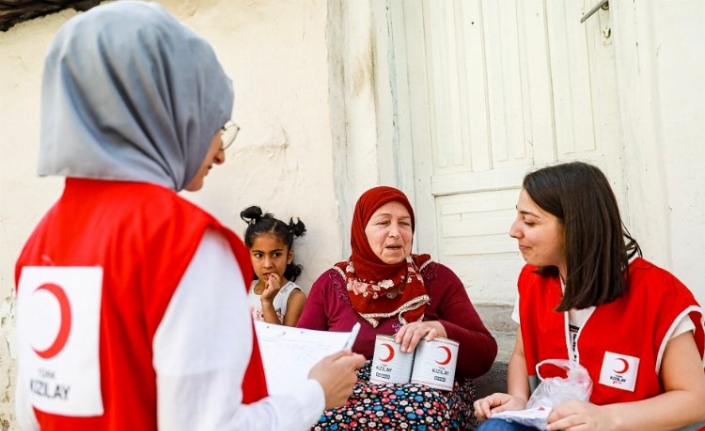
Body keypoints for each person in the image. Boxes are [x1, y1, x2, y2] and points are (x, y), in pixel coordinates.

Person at [13, 2, 365, 431]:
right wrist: (315, 394)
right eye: (214, 123)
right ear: (163, 114)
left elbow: (34, 414)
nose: (221, 150)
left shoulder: (40, 242)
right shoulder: (184, 242)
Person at [473, 161, 705, 431]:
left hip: (630, 426)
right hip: (555, 421)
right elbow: (522, 356)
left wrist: (607, 418)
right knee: (497, 427)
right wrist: (517, 398)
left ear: (576, 226)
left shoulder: (659, 294)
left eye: (529, 221)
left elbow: (696, 400)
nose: (514, 230)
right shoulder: (533, 281)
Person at [297, 185, 498, 430]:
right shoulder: (331, 283)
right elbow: (301, 353)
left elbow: (484, 355)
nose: (396, 233)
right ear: (361, 230)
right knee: (311, 413)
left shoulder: (437, 278)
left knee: (425, 409)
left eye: (404, 223)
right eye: (383, 223)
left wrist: (441, 329)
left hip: (425, 392)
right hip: (350, 391)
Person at [241, 205, 307, 326]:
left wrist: (267, 302)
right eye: (259, 255)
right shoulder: (243, 290)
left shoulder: (294, 297)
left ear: (289, 257)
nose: (267, 264)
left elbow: (283, 342)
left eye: (276, 254)